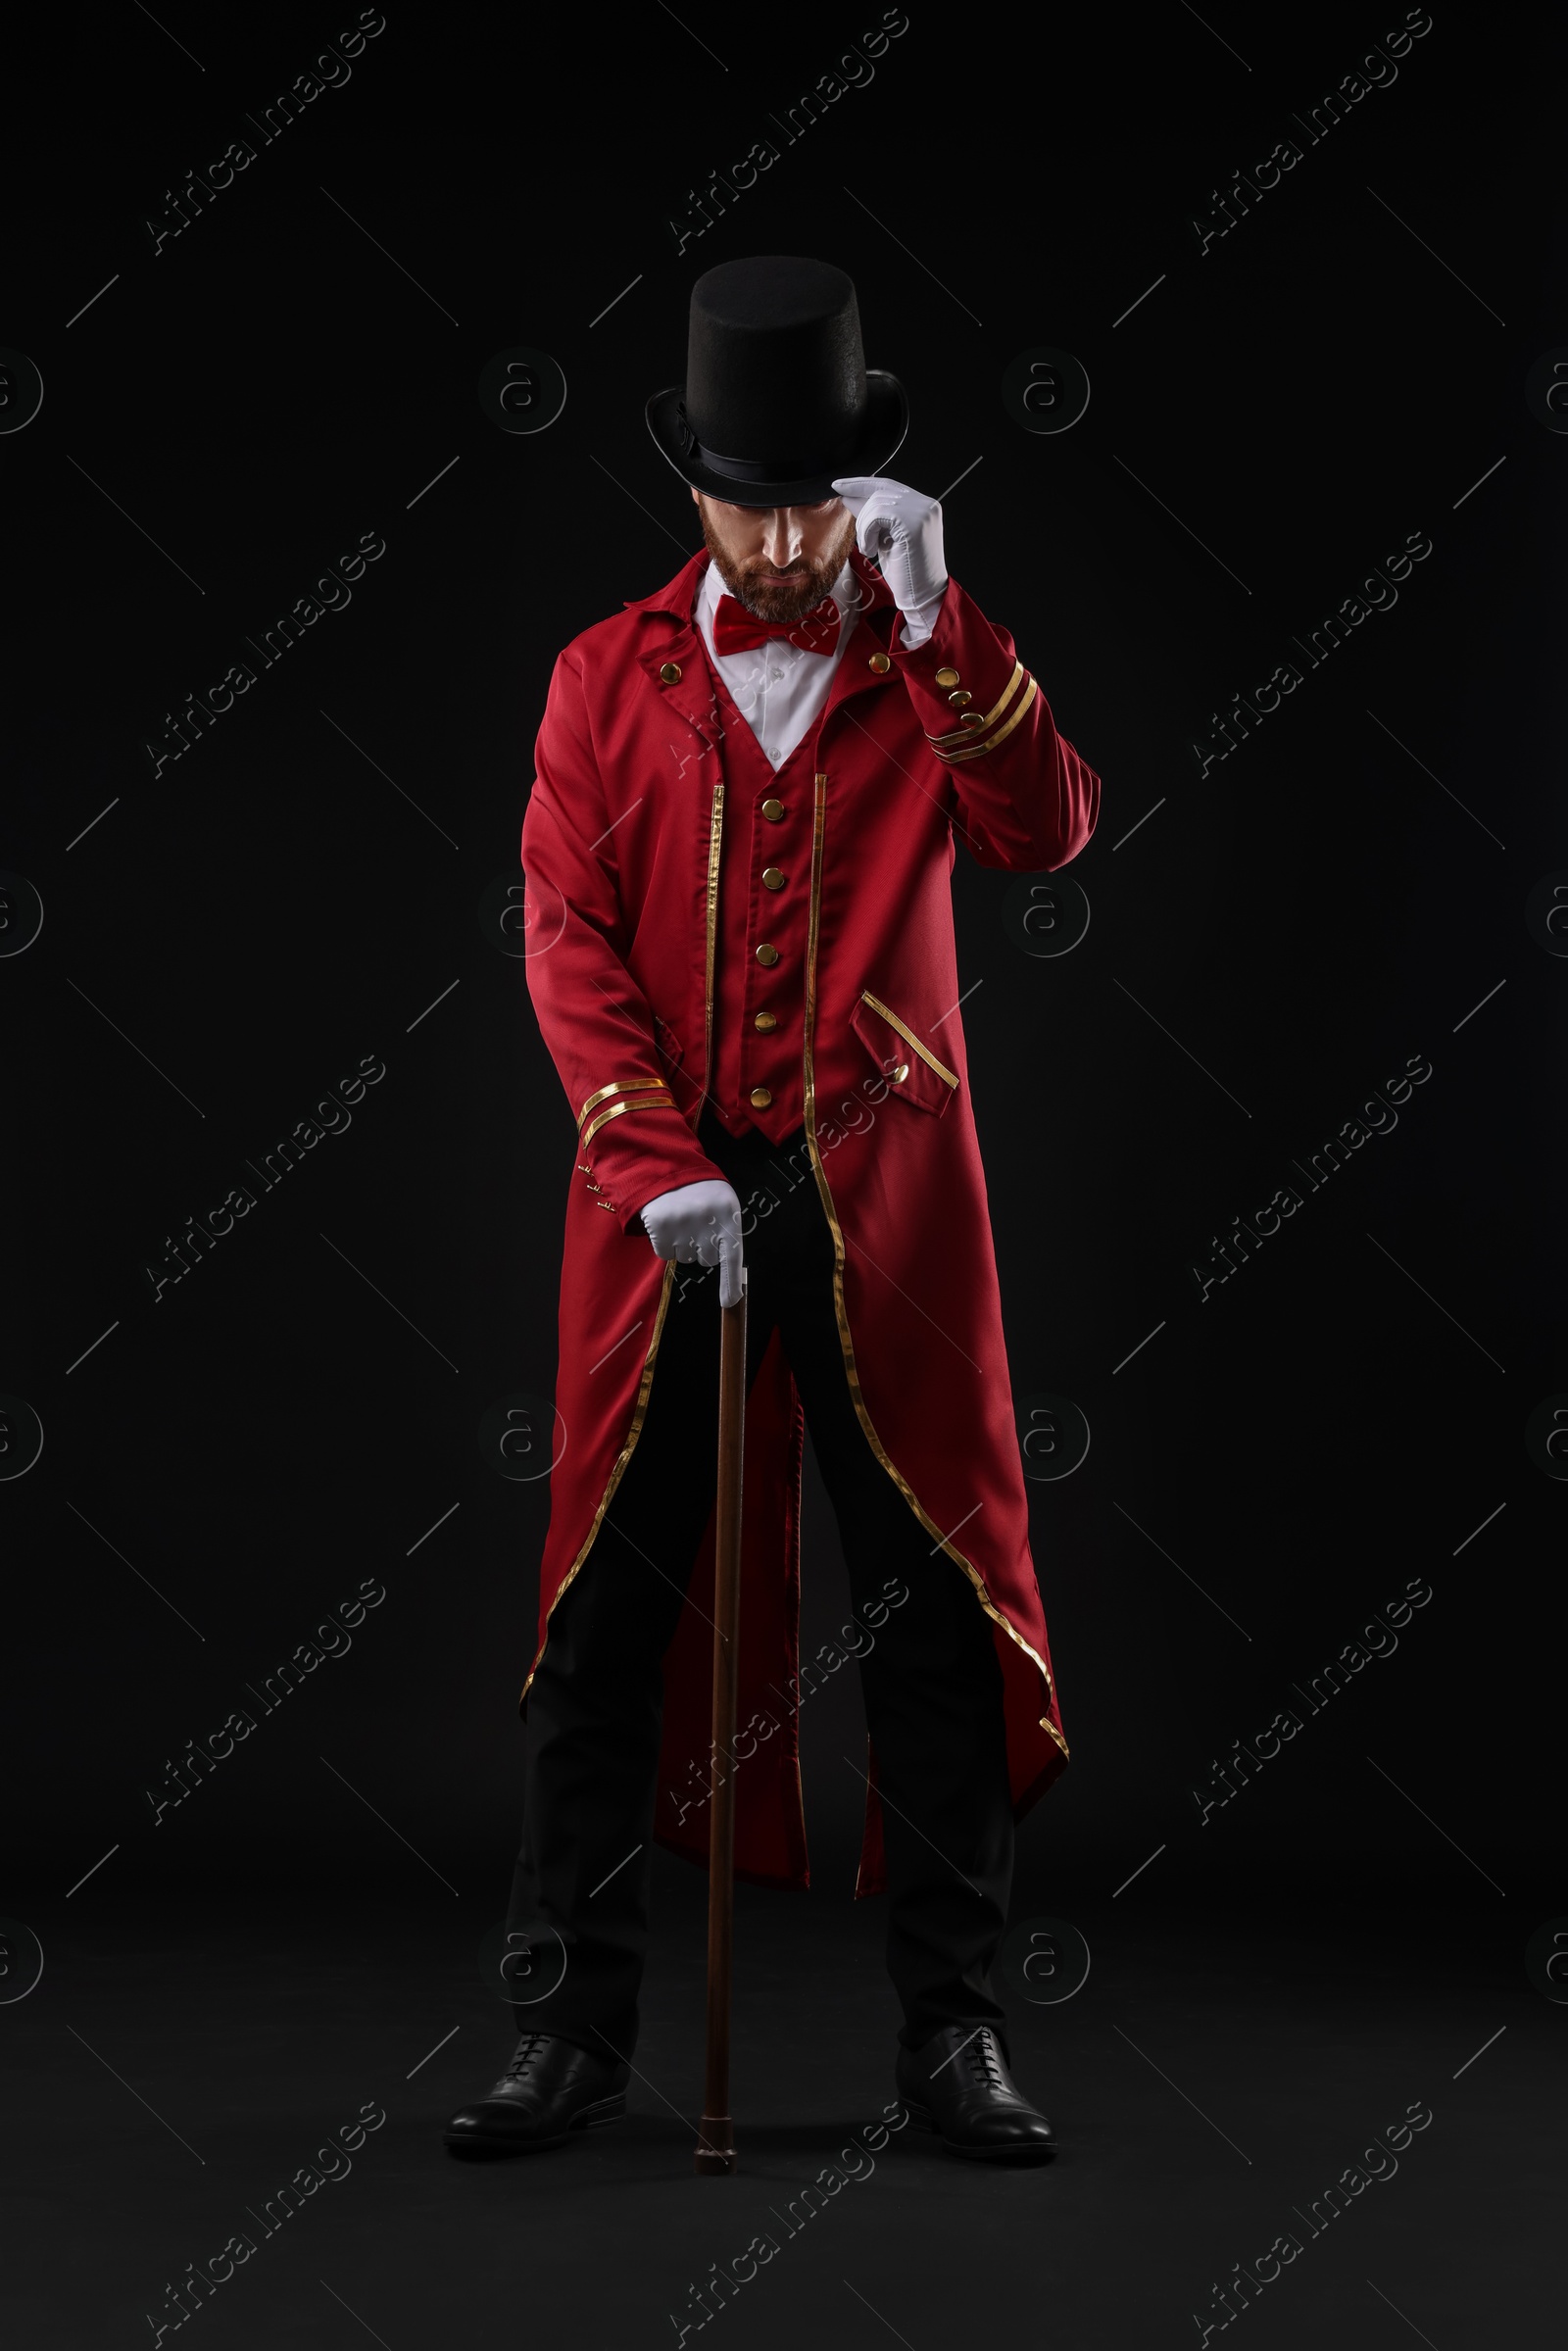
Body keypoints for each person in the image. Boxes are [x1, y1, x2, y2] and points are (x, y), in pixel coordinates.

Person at [444, 255, 1101, 2164]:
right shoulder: (600, 676)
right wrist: (648, 1164)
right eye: (755, 500)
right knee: (600, 1622)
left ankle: (953, 2037)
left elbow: (1044, 825)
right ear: (695, 492)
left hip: (885, 1197)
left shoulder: (921, 655)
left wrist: (949, 617)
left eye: (818, 499)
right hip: (658, 1218)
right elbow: (563, 940)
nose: (791, 536)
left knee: (927, 1618)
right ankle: (566, 2030)